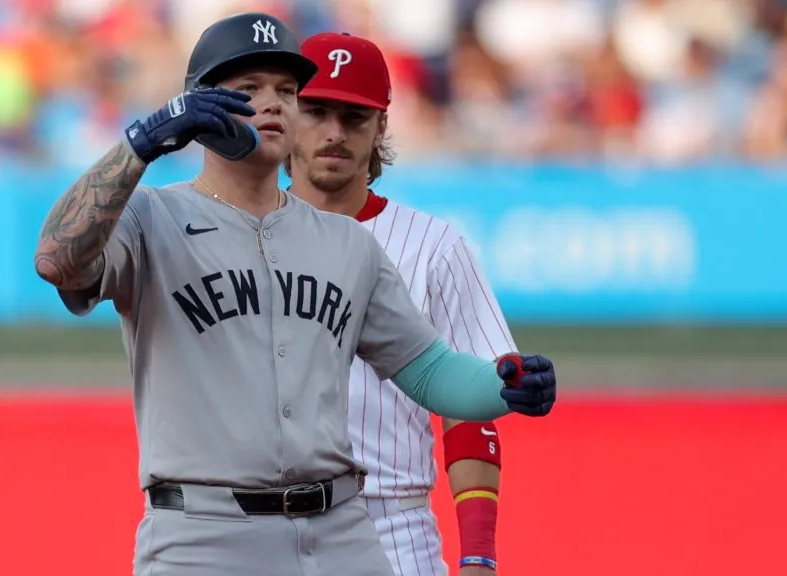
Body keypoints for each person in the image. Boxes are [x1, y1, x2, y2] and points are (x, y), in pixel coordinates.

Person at [33, 12, 557, 576]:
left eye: (286, 90)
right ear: (199, 102)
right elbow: (56, 259)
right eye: (249, 88)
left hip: (341, 536)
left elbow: (431, 373)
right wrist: (140, 144)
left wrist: (505, 385)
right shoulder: (150, 219)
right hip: (202, 538)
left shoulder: (347, 243)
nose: (273, 103)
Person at [286, 33, 517, 575]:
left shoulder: (433, 245)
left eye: (354, 117)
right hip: (261, 528)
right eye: (316, 112)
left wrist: (478, 556)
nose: (334, 132)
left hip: (390, 526)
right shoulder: (239, 236)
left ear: (382, 126)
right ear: (288, 115)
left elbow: (469, 412)